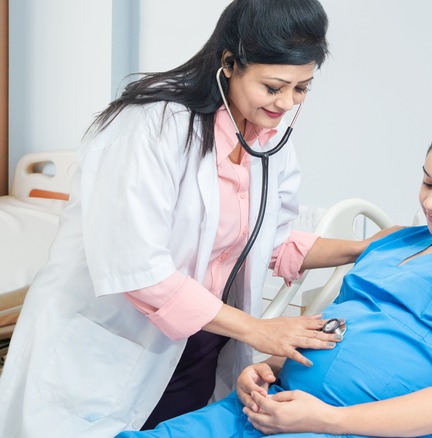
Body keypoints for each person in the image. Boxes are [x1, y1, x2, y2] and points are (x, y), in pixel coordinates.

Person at [0, 1, 383, 436]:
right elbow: (139, 270)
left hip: (199, 347)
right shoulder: (148, 128)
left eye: (302, 88)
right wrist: (257, 331)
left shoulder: (268, 145)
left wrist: (365, 248)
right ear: (229, 63)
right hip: (112, 351)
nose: (286, 103)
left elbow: (268, 241)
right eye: (274, 86)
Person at [121, 114, 432, 437]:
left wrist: (325, 417)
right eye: (426, 183)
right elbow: (334, 327)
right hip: (273, 410)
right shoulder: (394, 243)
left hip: (349, 426)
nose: (431, 203)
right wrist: (265, 369)